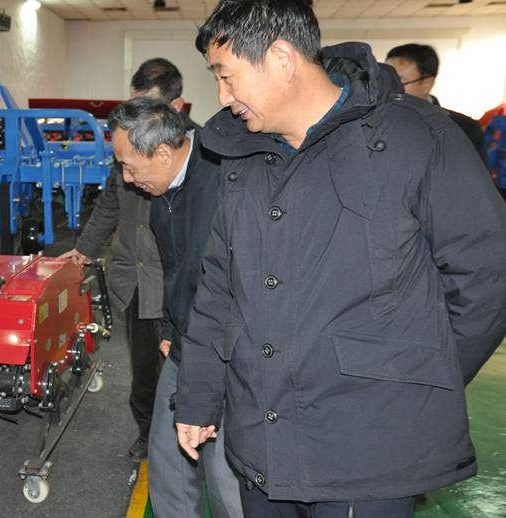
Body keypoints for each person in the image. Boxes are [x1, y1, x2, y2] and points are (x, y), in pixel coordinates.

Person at [174, 1, 506, 517]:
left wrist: (412, 376)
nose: (222, 97)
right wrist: (197, 395)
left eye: (226, 76)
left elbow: (488, 276)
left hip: (366, 454)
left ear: (281, 58)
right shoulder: (244, 156)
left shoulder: (414, 137)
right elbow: (219, 287)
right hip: (262, 443)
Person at [107, 98, 242, 517]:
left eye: (130, 167)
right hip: (184, 342)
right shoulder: (163, 190)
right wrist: (169, 326)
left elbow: (225, 284)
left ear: (163, 154)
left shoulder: (224, 182)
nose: (127, 179)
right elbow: (174, 267)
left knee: (225, 476)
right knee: (167, 461)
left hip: (225, 350)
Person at [59, 58, 192, 463]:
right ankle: (148, 433)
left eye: (148, 108)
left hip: (174, 281)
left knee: (185, 366)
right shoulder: (129, 150)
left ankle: (189, 436)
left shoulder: (197, 155)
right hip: (133, 281)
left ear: (176, 107)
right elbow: (109, 205)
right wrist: (83, 250)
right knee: (144, 369)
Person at [386, 43, 487, 164]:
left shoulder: (463, 128)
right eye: (384, 80)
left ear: (427, 84)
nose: (388, 88)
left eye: (398, 81)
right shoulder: (374, 123)